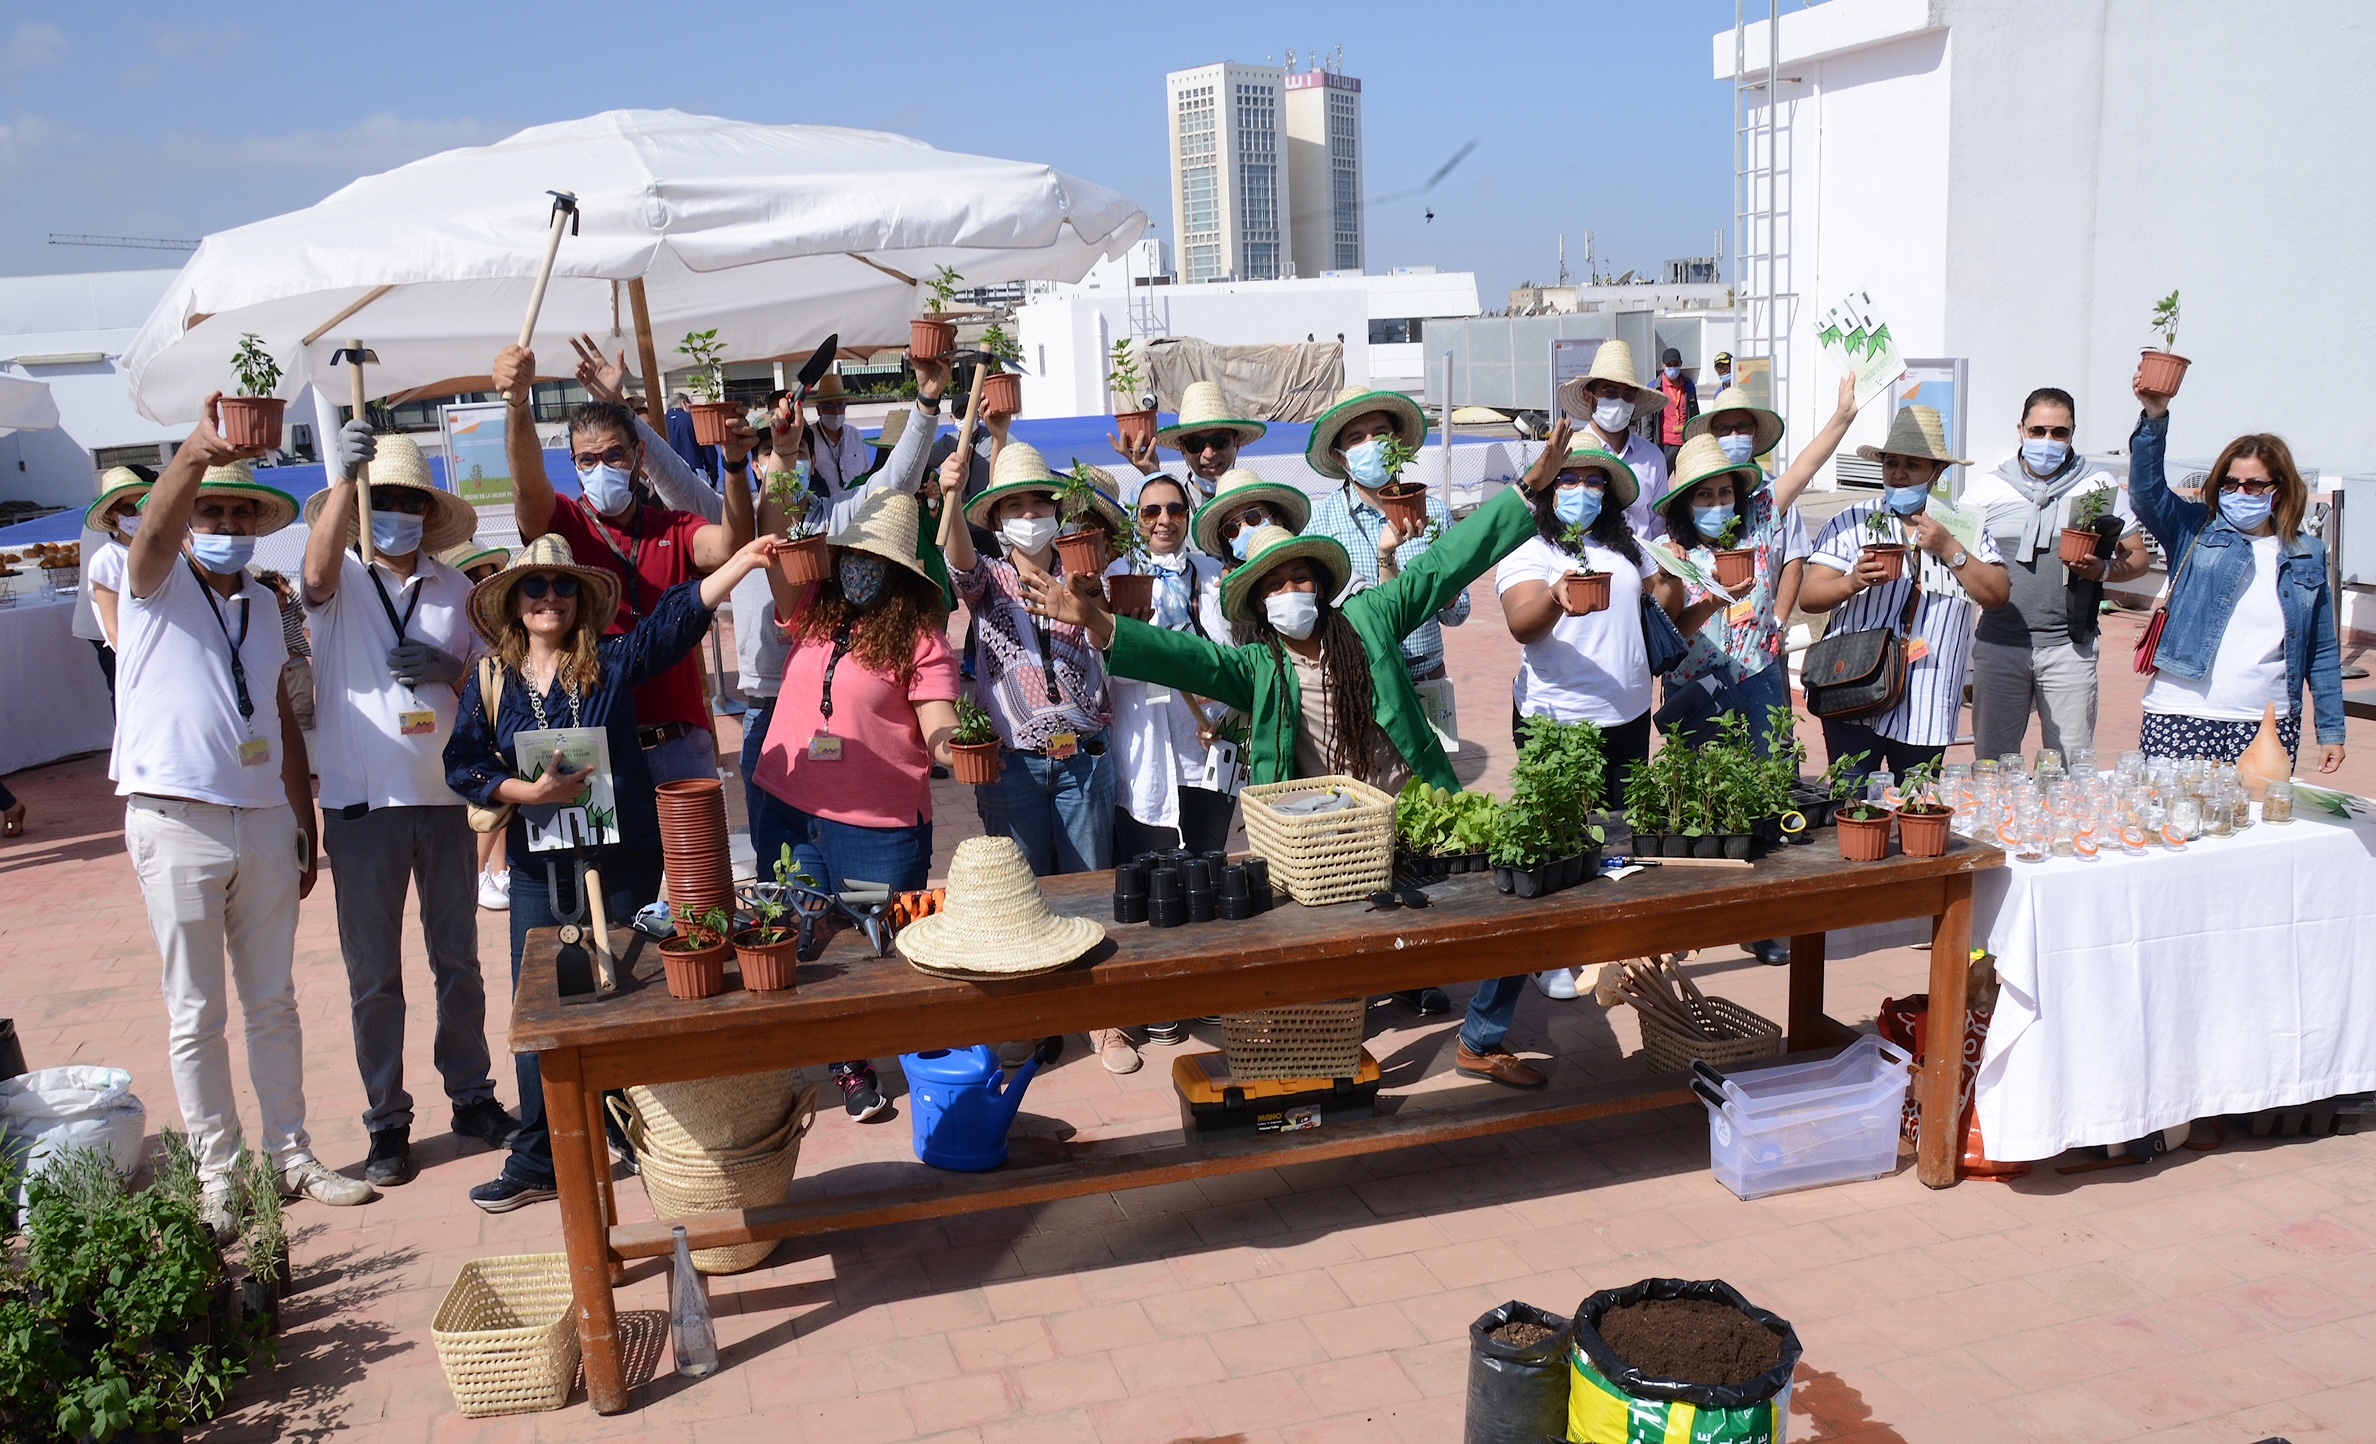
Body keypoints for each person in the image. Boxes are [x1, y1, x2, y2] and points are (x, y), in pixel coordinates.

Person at [1022, 424, 1577, 1089]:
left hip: (1421, 815)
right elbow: (1186, 657)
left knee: (1513, 916)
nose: (1291, 591)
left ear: (1319, 582)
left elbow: (1444, 565)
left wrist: (1528, 488)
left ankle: (1481, 1039)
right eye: (1275, 584)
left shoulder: (1369, 620)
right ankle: (1317, 1053)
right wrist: (1096, 622)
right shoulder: (1257, 667)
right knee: (1309, 955)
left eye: (1299, 578)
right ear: (1260, 603)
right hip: (1325, 845)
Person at [446, 530, 780, 1212]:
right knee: (545, 1004)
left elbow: (674, 625)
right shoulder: (492, 679)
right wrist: (524, 794)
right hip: (542, 868)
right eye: (534, 588)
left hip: (621, 859)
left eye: (563, 586)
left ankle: (622, 1126)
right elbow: (464, 763)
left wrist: (740, 565)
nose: (549, 598)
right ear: (514, 602)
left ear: (580, 600)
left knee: (615, 994)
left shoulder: (611, 663)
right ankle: (541, 1152)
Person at [116, 406, 374, 1238]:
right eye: (212, 513)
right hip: (176, 817)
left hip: (262, 817)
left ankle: (292, 1153)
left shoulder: (266, 604)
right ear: (192, 522)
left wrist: (301, 821)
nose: (225, 524)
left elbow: (278, 713)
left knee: (275, 1002)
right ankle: (217, 1176)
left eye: (239, 514)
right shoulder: (152, 580)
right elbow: (153, 527)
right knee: (196, 1011)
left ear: (257, 527)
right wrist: (198, 450)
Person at [300, 427, 517, 1187]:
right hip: (364, 806)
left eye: (409, 502)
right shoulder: (343, 582)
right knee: (374, 975)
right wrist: (342, 481)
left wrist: (453, 668)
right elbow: (315, 572)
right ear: (362, 509)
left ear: (429, 513)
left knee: (457, 960)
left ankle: (472, 1094)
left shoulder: (456, 589)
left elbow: (490, 681)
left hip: (443, 795)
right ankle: (387, 1119)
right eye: (382, 501)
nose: (397, 513)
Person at [753, 490, 960, 1114]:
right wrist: (775, 465)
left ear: (900, 573)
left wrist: (961, 748)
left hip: (877, 824)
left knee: (876, 952)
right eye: (851, 558)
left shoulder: (921, 638)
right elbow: (773, 554)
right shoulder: (813, 607)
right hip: (788, 807)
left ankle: (912, 1056)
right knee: (798, 938)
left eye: (874, 563)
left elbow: (939, 723)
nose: (858, 570)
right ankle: (846, 1064)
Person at [498, 343, 754, 785]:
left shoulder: (674, 527)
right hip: (597, 748)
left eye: (613, 455)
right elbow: (527, 487)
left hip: (678, 744)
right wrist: (519, 404)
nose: (601, 467)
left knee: (693, 857)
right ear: (574, 465)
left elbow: (731, 543)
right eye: (588, 459)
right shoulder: (564, 524)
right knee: (609, 858)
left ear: (637, 457)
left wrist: (733, 465)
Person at [2128, 375, 2344, 771]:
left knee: (2254, 824)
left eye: (2254, 485)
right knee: (2174, 824)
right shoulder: (2194, 529)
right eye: (2230, 483)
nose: (2239, 494)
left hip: (2266, 720)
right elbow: (2146, 492)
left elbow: (2322, 649)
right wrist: (2155, 417)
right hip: (2182, 711)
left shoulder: (2307, 553)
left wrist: (2331, 730)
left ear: (2279, 488)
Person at [1800, 406, 2011, 782]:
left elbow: (1997, 595)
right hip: (1855, 685)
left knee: (1918, 809)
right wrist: (1852, 581)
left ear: (1937, 472)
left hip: (1928, 695)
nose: (1899, 474)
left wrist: (1950, 549)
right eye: (1891, 463)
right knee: (1853, 802)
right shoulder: (1852, 520)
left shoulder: (1963, 525)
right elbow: (1810, 596)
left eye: (1912, 465)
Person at [938, 440, 1117, 877]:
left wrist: (1087, 599)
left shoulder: (1084, 574)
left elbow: (1109, 638)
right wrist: (953, 497)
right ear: (998, 519)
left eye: (1041, 503)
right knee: (1023, 896)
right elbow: (961, 564)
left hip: (1085, 761)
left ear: (1059, 513)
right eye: (1015, 506)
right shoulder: (990, 578)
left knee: (1089, 890)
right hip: (1013, 765)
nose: (1031, 515)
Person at [1658, 377, 1861, 751]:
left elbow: (1803, 468)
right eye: (1704, 495)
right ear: (1686, 502)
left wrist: (1842, 417)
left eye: (1725, 493)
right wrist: (1714, 600)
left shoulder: (1758, 520)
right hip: (1697, 691)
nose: (1718, 504)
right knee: (1702, 797)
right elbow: (1670, 633)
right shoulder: (1668, 555)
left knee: (1767, 786)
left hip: (1757, 678)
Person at [1963, 387, 2152, 762]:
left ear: (2072, 433)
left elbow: (2138, 557)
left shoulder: (2097, 485)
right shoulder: (1986, 490)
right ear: (2021, 430)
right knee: (1992, 764)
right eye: (2038, 431)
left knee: (2071, 766)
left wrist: (2105, 569)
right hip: (2000, 645)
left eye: (2059, 433)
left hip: (2070, 647)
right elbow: (1960, 561)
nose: (2048, 441)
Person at [1498, 441, 1680, 788]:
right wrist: (1554, 596)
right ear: (1549, 488)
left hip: (1628, 713)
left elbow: (1665, 609)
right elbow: (1521, 625)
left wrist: (1671, 576)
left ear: (1606, 493)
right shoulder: (1530, 547)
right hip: (1557, 719)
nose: (1581, 490)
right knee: (1568, 836)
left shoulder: (1627, 547)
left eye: (1593, 482)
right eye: (1568, 480)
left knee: (1623, 832)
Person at [1304, 388, 1469, 686]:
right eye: (1356, 438)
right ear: (1339, 457)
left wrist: (1446, 587)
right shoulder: (1321, 523)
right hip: (1360, 684)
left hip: (1427, 679)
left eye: (1380, 434)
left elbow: (1458, 615)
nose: (1371, 444)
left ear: (1397, 443)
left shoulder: (1431, 512)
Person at [442, 543, 515, 907]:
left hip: (497, 721)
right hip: (468, 726)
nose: (483, 581)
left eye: (489, 574)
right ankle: (478, 871)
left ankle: (499, 870)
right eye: (474, 576)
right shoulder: (453, 621)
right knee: (487, 799)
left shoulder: (499, 623)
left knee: (503, 801)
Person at [1554, 339, 1668, 537]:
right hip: (1585, 563)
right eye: (1610, 393)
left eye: (1628, 396)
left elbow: (1657, 526)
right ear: (1589, 397)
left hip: (1643, 564)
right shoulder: (1569, 453)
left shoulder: (1653, 458)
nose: (1619, 402)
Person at [1115, 380, 1268, 501]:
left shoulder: (1258, 504)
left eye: (1219, 441)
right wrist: (1152, 474)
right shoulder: (1173, 511)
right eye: (1195, 444)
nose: (1208, 453)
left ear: (1237, 442)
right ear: (1183, 449)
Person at [77, 465, 153, 690]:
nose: (138, 514)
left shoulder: (168, 553)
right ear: (113, 513)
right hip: (141, 668)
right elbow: (116, 633)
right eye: (129, 509)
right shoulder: (108, 559)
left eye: (143, 505)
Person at [1191, 468, 1311, 580]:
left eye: (1253, 517)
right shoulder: (1233, 582)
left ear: (1278, 520)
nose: (1244, 528)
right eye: (1231, 529)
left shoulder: (1311, 564)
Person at [804, 372, 874, 500]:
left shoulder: (855, 435)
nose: (836, 411)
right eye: (828, 406)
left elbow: (865, 473)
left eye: (840, 405)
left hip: (857, 508)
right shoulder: (808, 438)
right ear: (818, 410)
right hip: (824, 512)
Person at [1656, 347, 1699, 471]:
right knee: (1663, 481)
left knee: (1685, 481)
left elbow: (1695, 414)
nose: (1673, 368)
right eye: (1669, 365)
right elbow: (1648, 422)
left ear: (1681, 364)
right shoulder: (1656, 387)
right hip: (1665, 445)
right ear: (1662, 365)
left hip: (1685, 442)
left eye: (1676, 364)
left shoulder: (1689, 386)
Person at [663, 389, 718, 482]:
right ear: (684, 403)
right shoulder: (695, 419)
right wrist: (713, 476)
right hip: (694, 471)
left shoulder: (660, 422)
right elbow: (709, 451)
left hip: (668, 474)